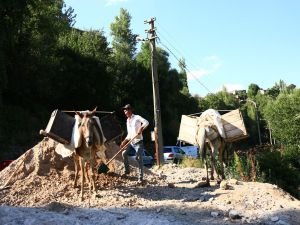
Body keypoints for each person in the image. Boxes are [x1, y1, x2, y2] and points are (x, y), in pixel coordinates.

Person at [120, 104, 149, 183]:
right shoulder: (127, 121)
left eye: (126, 110)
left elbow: (146, 122)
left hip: (138, 142)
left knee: (139, 158)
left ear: (130, 110)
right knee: (124, 154)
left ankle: (140, 178)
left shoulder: (137, 117)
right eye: (124, 110)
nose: (125, 112)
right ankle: (127, 171)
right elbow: (129, 134)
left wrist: (141, 128)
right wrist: (124, 141)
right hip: (131, 142)